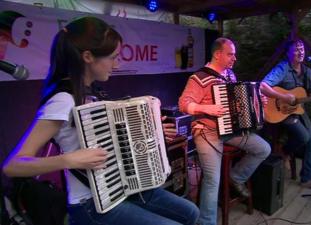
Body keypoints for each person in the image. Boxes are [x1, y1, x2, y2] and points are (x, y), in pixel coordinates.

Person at [2, 16, 199, 225]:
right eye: (113, 57)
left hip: (122, 189)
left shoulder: (91, 93)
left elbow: (114, 142)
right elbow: (13, 166)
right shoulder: (63, 100)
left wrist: (153, 133)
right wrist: (70, 159)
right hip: (89, 204)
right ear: (88, 56)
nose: (117, 63)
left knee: (191, 213)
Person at [179, 37, 271, 225]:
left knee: (263, 149)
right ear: (217, 54)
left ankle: (236, 177)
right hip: (206, 132)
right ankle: (206, 222)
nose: (234, 58)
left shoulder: (230, 75)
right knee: (212, 180)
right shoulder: (199, 77)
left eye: (235, 55)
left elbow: (237, 106)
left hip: (230, 129)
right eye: (230, 54)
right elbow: (183, 104)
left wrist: (257, 103)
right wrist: (206, 108)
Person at [260, 39, 311, 191]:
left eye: (302, 49)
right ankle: (283, 153)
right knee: (304, 137)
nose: (300, 51)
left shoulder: (308, 72)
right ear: (288, 52)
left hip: (297, 110)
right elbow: (263, 86)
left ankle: (306, 179)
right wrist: (285, 97)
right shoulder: (283, 68)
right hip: (280, 111)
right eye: (296, 49)